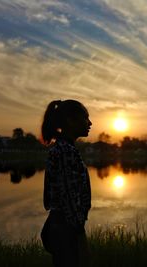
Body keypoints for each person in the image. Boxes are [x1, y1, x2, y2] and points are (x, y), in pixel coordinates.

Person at [40, 99, 92, 267]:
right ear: (70, 120)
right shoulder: (64, 151)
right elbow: (68, 196)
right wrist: (79, 232)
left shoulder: (65, 149)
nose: (90, 123)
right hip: (66, 229)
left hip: (64, 226)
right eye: (85, 118)